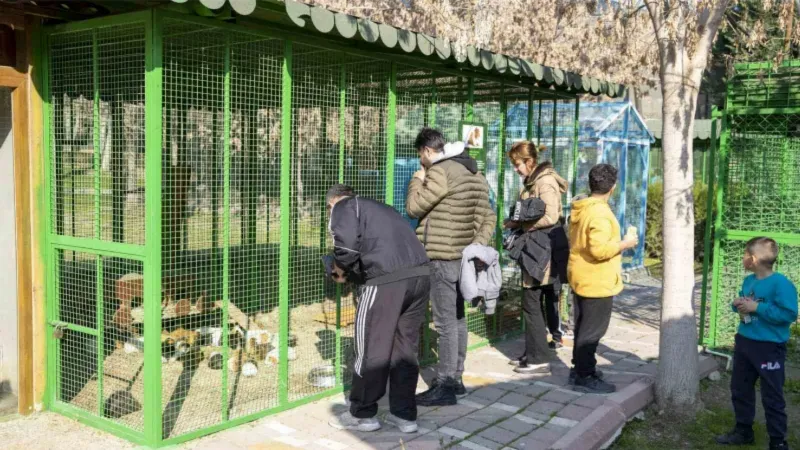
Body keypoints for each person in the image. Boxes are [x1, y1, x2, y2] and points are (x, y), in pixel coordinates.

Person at [324, 184, 431, 434]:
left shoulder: (344, 206)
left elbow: (347, 248)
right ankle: (405, 417)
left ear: (333, 202)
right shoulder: (382, 209)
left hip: (386, 280)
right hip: (420, 277)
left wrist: (339, 269)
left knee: (371, 345)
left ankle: (363, 414)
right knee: (405, 348)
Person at [406, 128, 496, 407]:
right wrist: (474, 247)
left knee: (445, 323)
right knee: (457, 319)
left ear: (428, 151)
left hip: (441, 258)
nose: (421, 161)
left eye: (421, 156)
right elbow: (489, 217)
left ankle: (444, 384)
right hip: (463, 260)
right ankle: (455, 379)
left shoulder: (438, 171)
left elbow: (413, 207)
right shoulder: (475, 174)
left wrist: (416, 180)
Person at [715, 237, 797, 450]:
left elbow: (789, 314)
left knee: (772, 395)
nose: (742, 258)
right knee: (740, 389)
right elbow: (746, 304)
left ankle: (778, 442)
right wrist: (738, 305)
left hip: (769, 347)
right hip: (744, 343)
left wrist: (756, 308)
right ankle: (743, 431)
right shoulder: (749, 281)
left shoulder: (781, 284)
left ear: (752, 259)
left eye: (744, 254)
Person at [567, 164, 638, 394]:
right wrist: (625, 244)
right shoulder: (599, 212)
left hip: (581, 274)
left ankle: (580, 369)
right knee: (592, 331)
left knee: (582, 325)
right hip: (596, 280)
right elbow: (598, 250)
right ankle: (585, 376)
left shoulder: (584, 206)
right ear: (613, 187)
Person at [503, 142, 569, 374]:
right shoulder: (533, 181)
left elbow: (551, 215)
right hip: (537, 250)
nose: (516, 169)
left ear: (529, 162)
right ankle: (533, 352)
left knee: (532, 303)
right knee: (532, 303)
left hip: (543, 251)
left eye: (517, 164)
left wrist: (522, 225)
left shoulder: (544, 182)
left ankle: (539, 359)